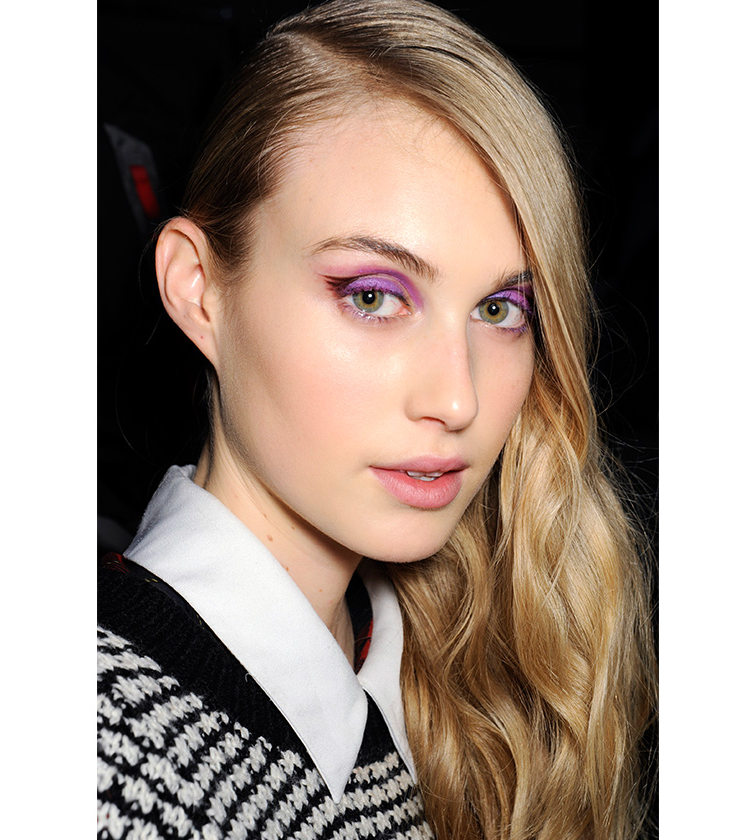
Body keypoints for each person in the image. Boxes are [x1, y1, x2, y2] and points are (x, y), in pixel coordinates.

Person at [97, 1, 657, 838]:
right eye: (372, 297)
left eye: (500, 309)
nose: (458, 400)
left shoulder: (454, 670)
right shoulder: (110, 758)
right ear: (199, 289)